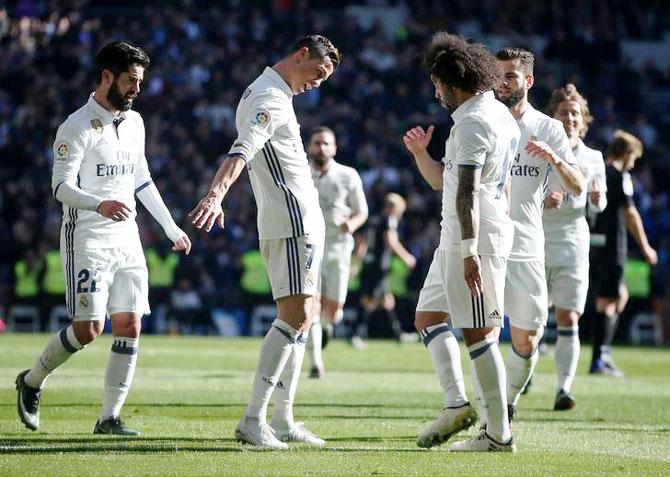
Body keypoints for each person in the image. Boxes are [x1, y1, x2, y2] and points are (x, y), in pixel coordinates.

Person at [15, 41, 191, 435]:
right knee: (88, 329)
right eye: (131, 81)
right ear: (107, 76)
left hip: (127, 239)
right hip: (88, 237)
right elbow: (59, 187)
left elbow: (141, 179)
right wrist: (99, 204)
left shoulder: (135, 122)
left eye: (140, 82)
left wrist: (169, 226)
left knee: (130, 325)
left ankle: (109, 418)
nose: (137, 90)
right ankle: (31, 381)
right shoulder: (76, 126)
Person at [189, 35, 340, 450]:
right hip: (292, 223)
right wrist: (216, 193)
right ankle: (254, 419)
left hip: (301, 222)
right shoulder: (269, 99)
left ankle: (283, 418)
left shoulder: (271, 93)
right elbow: (242, 150)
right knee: (293, 316)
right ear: (301, 54)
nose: (318, 83)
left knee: (305, 316)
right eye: (318, 72)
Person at [404, 32, 520, 452]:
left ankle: (497, 435)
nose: (436, 92)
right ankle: (456, 405)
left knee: (480, 333)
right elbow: (448, 183)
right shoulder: (494, 115)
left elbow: (469, 192)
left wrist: (472, 251)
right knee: (427, 317)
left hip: (473, 239)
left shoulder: (473, 123)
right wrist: (421, 155)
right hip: (457, 234)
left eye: (437, 84)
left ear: (453, 83)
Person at [492, 47, 584, 424]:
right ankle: (490, 410)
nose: (502, 82)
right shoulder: (483, 121)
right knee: (481, 332)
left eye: (510, 76)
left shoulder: (548, 128)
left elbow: (577, 186)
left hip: (528, 245)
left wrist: (553, 158)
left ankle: (508, 401)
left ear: (528, 81)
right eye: (498, 75)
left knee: (527, 342)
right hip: (486, 243)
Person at [544, 84, 607, 410]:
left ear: (583, 121)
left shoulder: (593, 158)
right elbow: (517, 194)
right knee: (532, 319)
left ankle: (563, 389)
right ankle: (519, 379)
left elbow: (600, 203)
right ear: (553, 117)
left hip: (573, 242)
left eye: (575, 113)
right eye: (564, 112)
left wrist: (597, 201)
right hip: (536, 241)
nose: (569, 118)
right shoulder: (537, 150)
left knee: (569, 317)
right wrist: (544, 200)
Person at [589, 130, 657, 376]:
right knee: (609, 299)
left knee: (617, 296)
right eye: (634, 159)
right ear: (627, 153)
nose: (633, 164)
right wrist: (645, 247)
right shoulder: (620, 176)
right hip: (610, 247)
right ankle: (599, 357)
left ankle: (601, 353)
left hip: (590, 242)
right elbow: (630, 213)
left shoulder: (596, 171)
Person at [307, 126, 368, 378]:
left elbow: (361, 210)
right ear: (310, 146)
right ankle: (316, 364)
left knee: (333, 313)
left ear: (334, 148)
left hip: (338, 247)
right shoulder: (300, 173)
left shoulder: (348, 175)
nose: (321, 148)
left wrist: (351, 224)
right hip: (309, 246)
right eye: (317, 143)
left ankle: (328, 328)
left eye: (325, 143)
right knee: (311, 304)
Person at [349, 193, 416, 348]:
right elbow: (390, 240)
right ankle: (356, 335)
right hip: (379, 265)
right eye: (399, 211)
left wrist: (358, 263)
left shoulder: (373, 219)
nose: (399, 215)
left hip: (369, 263)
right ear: (392, 208)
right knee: (368, 301)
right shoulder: (388, 220)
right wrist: (406, 257)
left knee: (387, 300)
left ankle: (398, 334)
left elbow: (362, 243)